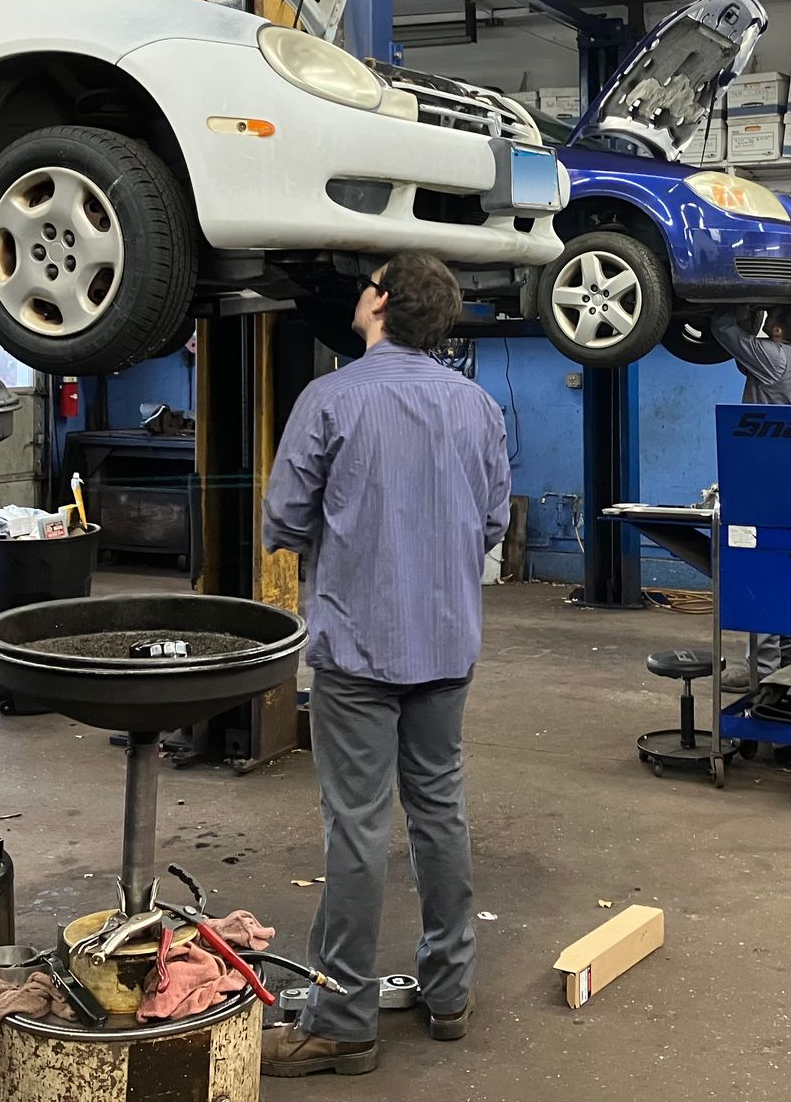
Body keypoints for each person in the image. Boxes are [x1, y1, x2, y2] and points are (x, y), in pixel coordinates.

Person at [260, 252, 511, 1078]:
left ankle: (343, 1021)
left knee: (359, 826)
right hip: (445, 647)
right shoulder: (477, 407)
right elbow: (491, 524)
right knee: (440, 811)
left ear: (379, 303)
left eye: (365, 285)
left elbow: (285, 519)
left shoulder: (331, 398)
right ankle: (448, 997)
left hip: (358, 649)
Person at [706, 304, 791, 692]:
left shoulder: (775, 356)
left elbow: (723, 329)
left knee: (762, 567)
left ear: (780, 331)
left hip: (765, 476)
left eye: (772, 324)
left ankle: (763, 670)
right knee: (787, 565)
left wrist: (741, 302)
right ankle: (789, 652)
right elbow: (745, 359)